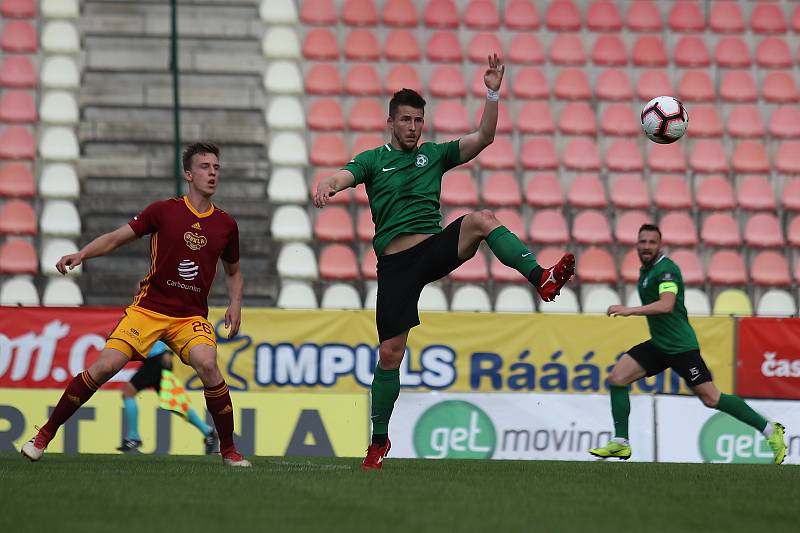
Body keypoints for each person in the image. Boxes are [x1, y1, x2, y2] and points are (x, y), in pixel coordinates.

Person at [313, 55, 575, 470]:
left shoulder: (434, 154)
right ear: (391, 122)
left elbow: (485, 136)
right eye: (406, 120)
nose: (413, 127)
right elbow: (341, 176)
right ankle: (379, 441)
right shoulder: (372, 160)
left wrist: (492, 91)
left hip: (432, 249)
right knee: (389, 354)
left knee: (482, 220)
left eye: (418, 120)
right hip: (397, 265)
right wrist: (327, 185)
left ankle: (541, 278)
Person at [21, 142, 251, 467]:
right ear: (188, 174)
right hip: (149, 310)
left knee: (209, 364)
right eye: (204, 167)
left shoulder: (226, 225)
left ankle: (229, 450)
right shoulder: (163, 211)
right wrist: (82, 254)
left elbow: (235, 272)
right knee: (104, 368)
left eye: (216, 167)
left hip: (189, 317)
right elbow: (116, 238)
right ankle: (43, 435)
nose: (212, 173)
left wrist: (235, 303)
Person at [589, 224, 787, 464]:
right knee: (617, 378)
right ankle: (621, 443)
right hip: (661, 345)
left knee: (711, 398)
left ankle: (769, 430)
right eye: (643, 242)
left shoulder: (666, 271)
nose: (647, 247)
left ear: (660, 245)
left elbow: (666, 304)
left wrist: (628, 310)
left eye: (652, 242)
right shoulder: (646, 271)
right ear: (636, 245)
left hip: (681, 347)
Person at [117, 340, 219, 455]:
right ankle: (208, 431)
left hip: (157, 359)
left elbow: (164, 330)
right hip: (157, 360)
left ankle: (133, 436)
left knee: (128, 393)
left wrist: (166, 352)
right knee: (172, 402)